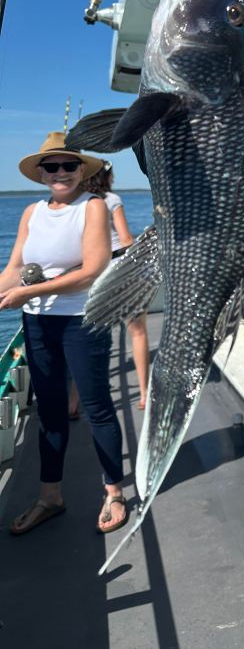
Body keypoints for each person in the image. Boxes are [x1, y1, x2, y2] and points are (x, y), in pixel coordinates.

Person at [0, 131, 128, 536]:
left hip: (81, 320)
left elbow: (92, 270)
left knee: (96, 406)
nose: (61, 173)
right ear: (41, 174)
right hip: (36, 323)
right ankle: (50, 496)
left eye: (69, 165)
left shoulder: (93, 208)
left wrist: (26, 292)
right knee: (50, 413)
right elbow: (14, 267)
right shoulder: (31, 213)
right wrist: (8, 289)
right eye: (52, 166)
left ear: (81, 171)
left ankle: (113, 491)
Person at [70, 162, 150, 411]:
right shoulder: (111, 199)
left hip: (90, 270)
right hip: (119, 267)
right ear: (107, 176)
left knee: (87, 334)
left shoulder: (80, 203)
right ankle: (145, 394)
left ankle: (73, 403)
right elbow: (125, 239)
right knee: (137, 331)